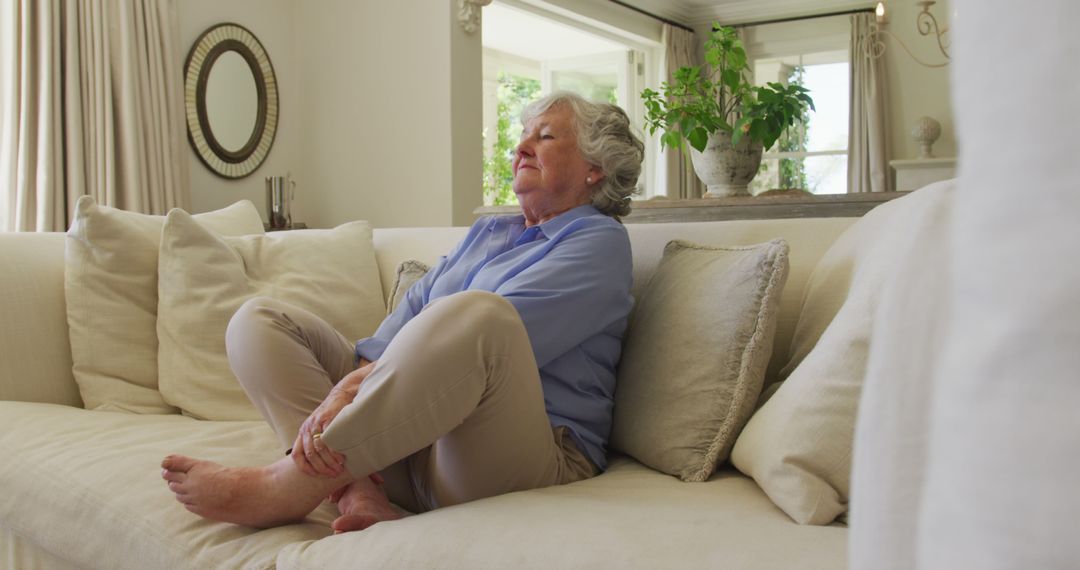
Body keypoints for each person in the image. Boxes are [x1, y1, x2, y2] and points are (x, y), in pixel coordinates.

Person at [160, 91, 646, 533]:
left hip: (511, 457)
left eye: (543, 137)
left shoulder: (597, 242)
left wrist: (344, 396)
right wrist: (354, 384)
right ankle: (358, 491)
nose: (520, 148)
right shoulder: (490, 232)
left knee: (482, 317)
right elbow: (406, 321)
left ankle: (292, 482)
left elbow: (484, 344)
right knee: (259, 322)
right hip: (411, 444)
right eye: (522, 136)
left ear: (594, 168)